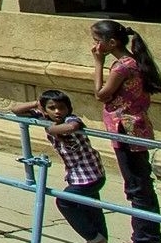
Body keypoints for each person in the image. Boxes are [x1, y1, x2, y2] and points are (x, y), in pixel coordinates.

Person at [92, 19, 161, 242]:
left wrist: (98, 63)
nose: (94, 46)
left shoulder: (122, 66)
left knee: (137, 186)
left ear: (111, 43)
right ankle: (147, 233)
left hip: (126, 130)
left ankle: (145, 236)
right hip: (134, 128)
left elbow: (101, 93)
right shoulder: (133, 62)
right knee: (141, 183)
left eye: (97, 41)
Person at [14, 89, 109, 243]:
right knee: (92, 209)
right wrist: (37, 104)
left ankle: (93, 238)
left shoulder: (70, 119)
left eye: (61, 108)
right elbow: (16, 110)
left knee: (64, 201)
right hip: (76, 175)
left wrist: (51, 129)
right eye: (52, 108)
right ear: (45, 110)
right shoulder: (44, 116)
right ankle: (100, 238)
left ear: (68, 109)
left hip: (90, 174)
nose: (57, 112)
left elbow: (72, 127)